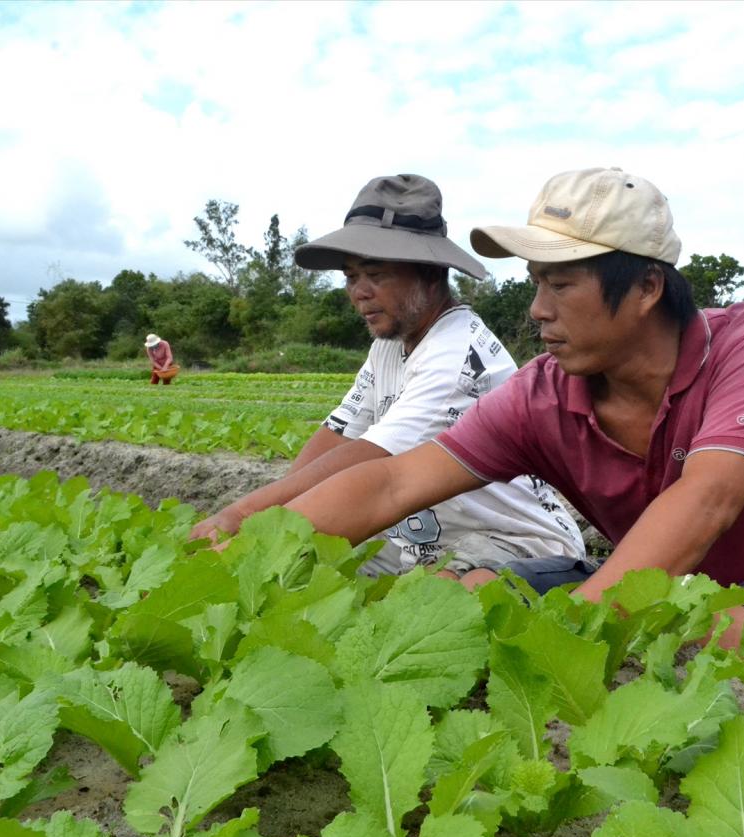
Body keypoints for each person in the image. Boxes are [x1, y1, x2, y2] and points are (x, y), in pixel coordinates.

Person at [280, 167, 744, 658]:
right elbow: (393, 482)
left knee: (698, 627)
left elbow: (707, 498)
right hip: (639, 579)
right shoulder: (544, 395)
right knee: (466, 592)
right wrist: (256, 547)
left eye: (560, 283)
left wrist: (576, 625)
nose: (537, 310)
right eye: (535, 283)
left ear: (647, 287)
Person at [190, 174, 584, 575]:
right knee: (305, 571)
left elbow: (371, 458)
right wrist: (269, 521)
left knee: (439, 599)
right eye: (351, 276)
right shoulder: (388, 347)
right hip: (421, 542)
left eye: (375, 275)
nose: (359, 292)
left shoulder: (458, 357)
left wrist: (241, 519)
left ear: (430, 274)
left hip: (511, 540)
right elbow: (337, 436)